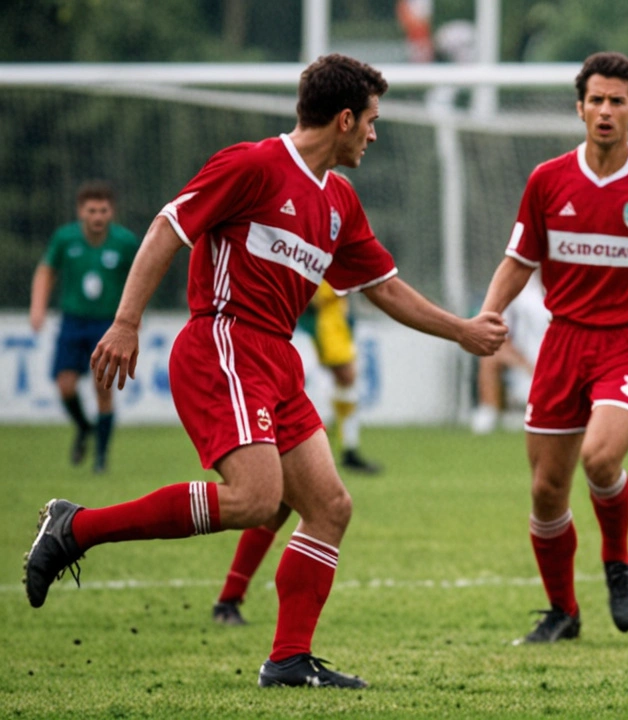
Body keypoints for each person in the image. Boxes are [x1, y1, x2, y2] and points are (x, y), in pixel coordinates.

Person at [22, 54, 507, 689]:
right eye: (371, 121)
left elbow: (383, 288)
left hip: (276, 357)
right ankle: (76, 527)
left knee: (330, 505)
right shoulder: (252, 165)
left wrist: (462, 330)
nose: (374, 133)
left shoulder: (339, 202)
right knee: (255, 500)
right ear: (343, 119)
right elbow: (170, 227)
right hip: (223, 338)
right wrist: (127, 319)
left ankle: (287, 660)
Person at [479, 51, 628, 643]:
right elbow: (518, 262)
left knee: (601, 458)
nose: (606, 111)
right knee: (545, 490)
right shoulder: (547, 180)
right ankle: (563, 613)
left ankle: (616, 560)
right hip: (562, 341)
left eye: (618, 102)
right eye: (596, 100)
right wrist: (487, 314)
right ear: (580, 107)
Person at [29, 181, 139, 473]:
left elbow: (141, 275)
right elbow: (46, 270)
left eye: (103, 210)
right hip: (72, 321)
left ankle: (100, 460)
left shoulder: (126, 242)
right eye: (92, 210)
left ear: (111, 211)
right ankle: (84, 428)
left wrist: (133, 317)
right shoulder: (65, 238)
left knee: (102, 389)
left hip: (108, 324)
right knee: (65, 385)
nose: (98, 216)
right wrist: (38, 307)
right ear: (81, 211)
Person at [298, 279, 380, 472]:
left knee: (345, 382)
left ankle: (345, 446)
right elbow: (312, 298)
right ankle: (320, 440)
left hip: (336, 323)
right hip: (323, 325)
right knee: (341, 379)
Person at [471, 275, 550, 434]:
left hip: (562, 371)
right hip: (528, 370)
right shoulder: (519, 290)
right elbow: (501, 340)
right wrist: (529, 367)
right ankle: (489, 413)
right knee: (490, 356)